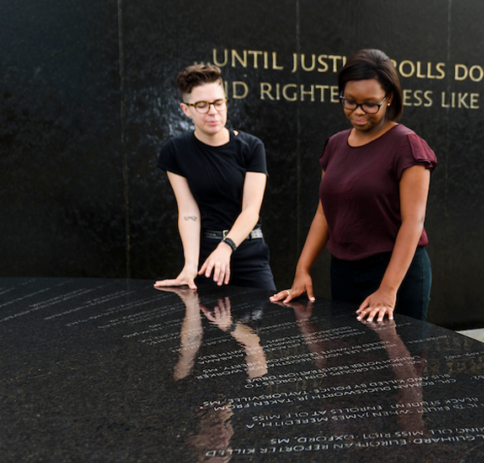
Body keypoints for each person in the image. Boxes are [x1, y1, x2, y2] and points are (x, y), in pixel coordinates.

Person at [270, 49, 435, 322]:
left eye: (370, 104)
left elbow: (413, 222)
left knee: (400, 363)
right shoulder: (334, 144)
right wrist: (302, 269)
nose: (358, 112)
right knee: (347, 360)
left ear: (389, 98)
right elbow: (325, 212)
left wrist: (387, 289)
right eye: (350, 102)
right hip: (343, 271)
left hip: (396, 273)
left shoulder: (407, 144)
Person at [154, 63, 275, 290]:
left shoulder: (251, 147)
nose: (213, 111)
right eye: (201, 104)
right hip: (203, 258)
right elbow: (188, 212)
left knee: (260, 324)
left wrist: (226, 247)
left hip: (248, 251)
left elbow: (251, 209)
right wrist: (190, 266)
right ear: (185, 109)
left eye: (218, 103)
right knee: (202, 324)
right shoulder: (175, 150)